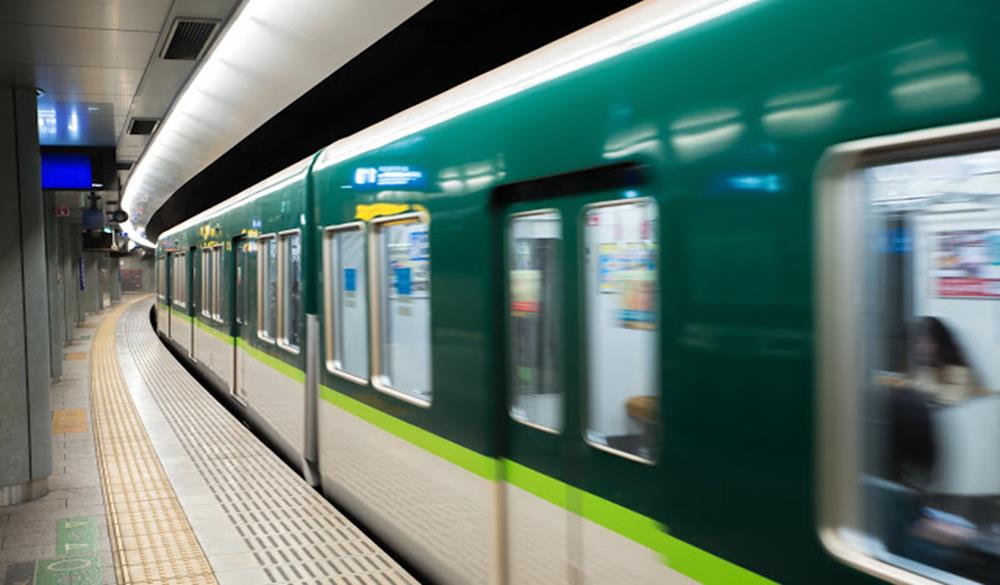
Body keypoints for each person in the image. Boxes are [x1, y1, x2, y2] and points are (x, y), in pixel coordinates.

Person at [908, 316, 986, 405]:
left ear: (940, 343)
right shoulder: (921, 369)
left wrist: (923, 389)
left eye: (927, 342)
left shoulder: (960, 372)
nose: (921, 348)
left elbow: (955, 399)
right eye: (917, 342)